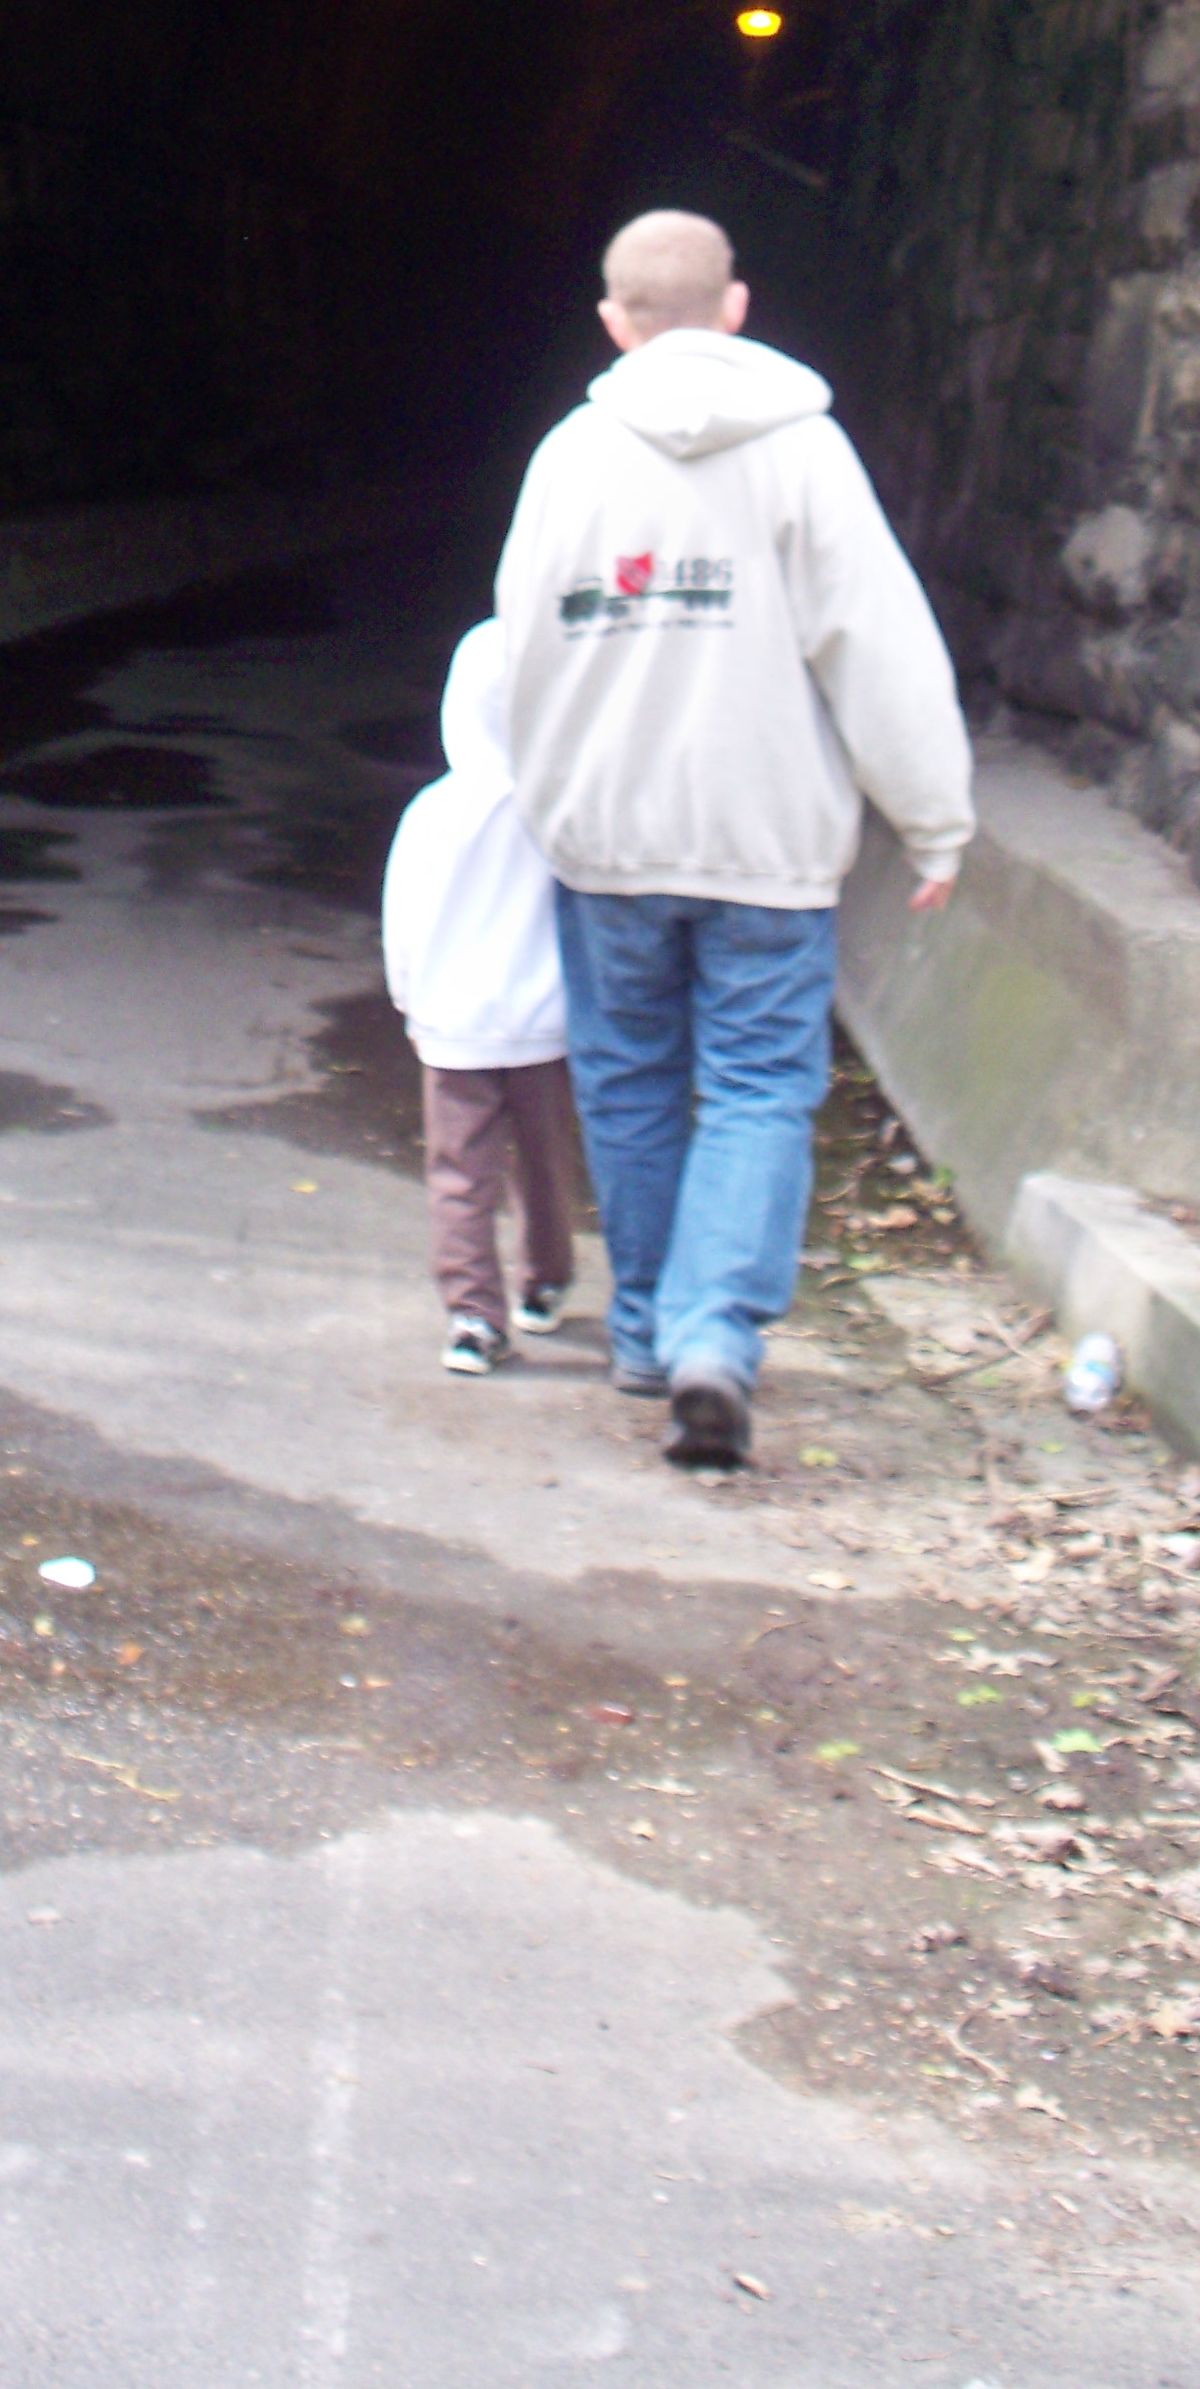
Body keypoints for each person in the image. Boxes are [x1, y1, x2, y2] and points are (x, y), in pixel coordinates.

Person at [492, 208, 973, 1471]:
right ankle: (717, 1332)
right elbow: (873, 643)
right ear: (737, 307)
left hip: (609, 842)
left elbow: (520, 649)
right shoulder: (806, 456)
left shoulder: (567, 460)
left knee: (629, 1077)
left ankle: (648, 1329)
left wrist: (549, 804)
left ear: (615, 322)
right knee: (760, 1085)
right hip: (768, 844)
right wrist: (932, 820)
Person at [381, 618, 579, 1377]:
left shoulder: (433, 810)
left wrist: (409, 995)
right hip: (540, 1024)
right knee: (544, 1162)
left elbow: (404, 913)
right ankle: (545, 1281)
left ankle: (472, 1315)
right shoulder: (557, 809)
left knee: (460, 1170)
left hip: (452, 1025)